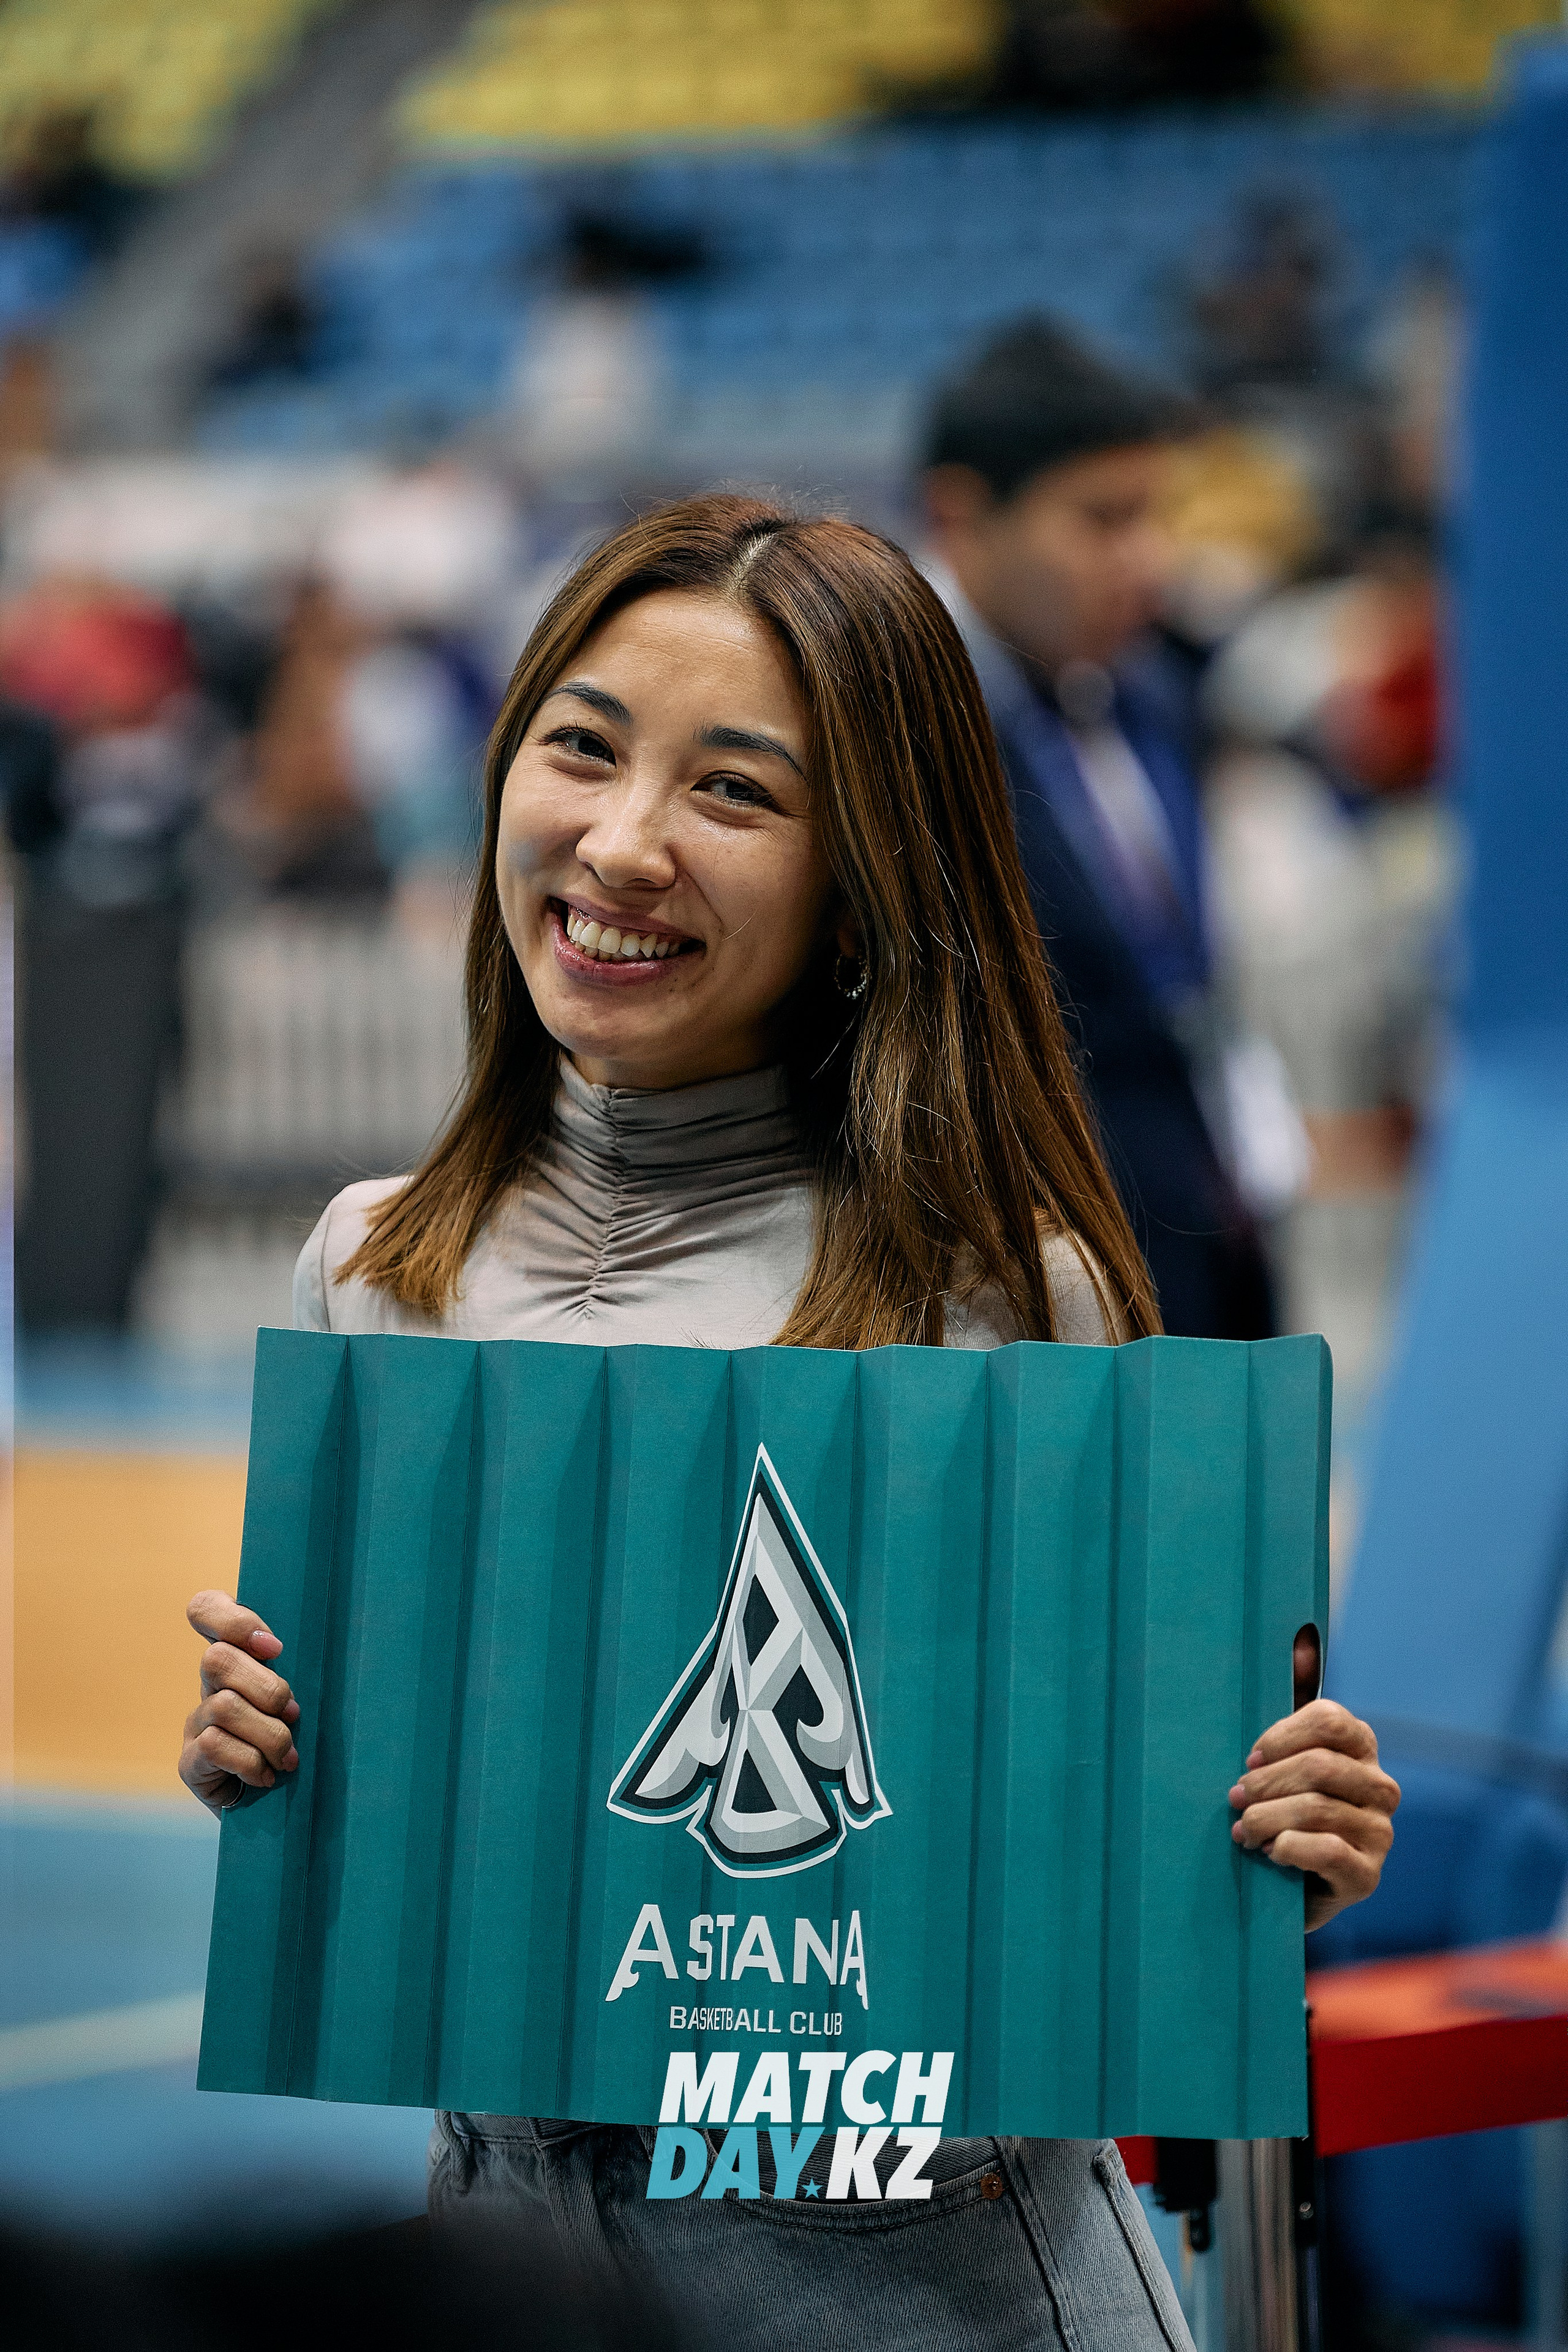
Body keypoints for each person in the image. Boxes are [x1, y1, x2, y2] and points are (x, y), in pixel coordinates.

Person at [177, 496, 1397, 2351]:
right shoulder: (374, 1269)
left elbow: (1123, 1878)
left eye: (736, 792)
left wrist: (1264, 1845)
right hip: (511, 2246)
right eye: (582, 749)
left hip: (927, 2278)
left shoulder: (1008, 1297)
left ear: (869, 880)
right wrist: (277, 1765)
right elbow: (428, 1842)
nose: (623, 842)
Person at [922, 316, 1286, 1338]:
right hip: (1022, 1301)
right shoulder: (893, 736)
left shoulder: (1155, 694)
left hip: (1208, 1235)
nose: (1150, 560)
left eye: (1156, 517)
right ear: (960, 515)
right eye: (1105, 519)